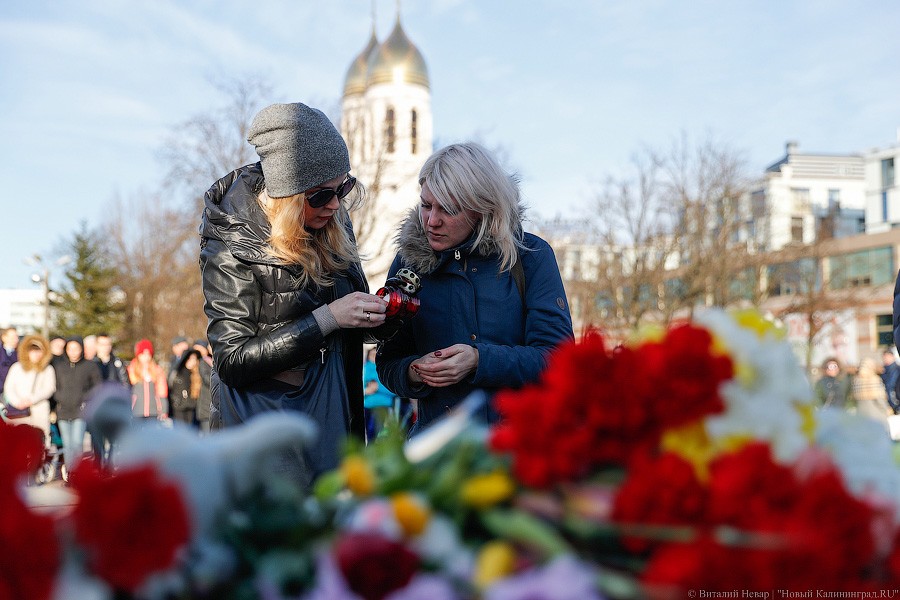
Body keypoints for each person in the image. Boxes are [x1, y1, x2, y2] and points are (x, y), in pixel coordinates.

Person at [199, 101, 388, 487]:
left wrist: (385, 315)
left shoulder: (333, 222)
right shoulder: (233, 237)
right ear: (287, 194)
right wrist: (329, 318)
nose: (335, 204)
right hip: (269, 441)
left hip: (336, 424)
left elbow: (347, 326)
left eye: (343, 188)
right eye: (320, 195)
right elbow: (232, 359)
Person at [376, 142, 575, 436]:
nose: (432, 221)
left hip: (519, 448)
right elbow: (388, 363)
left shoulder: (530, 255)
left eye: (449, 209)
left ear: (482, 209)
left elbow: (558, 359)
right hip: (439, 456)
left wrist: (479, 360)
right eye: (426, 205)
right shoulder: (409, 264)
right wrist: (415, 371)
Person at [53, 336, 102, 476]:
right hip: (63, 411)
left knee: (77, 443)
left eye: (76, 348)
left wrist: (86, 401)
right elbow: (55, 386)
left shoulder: (90, 366)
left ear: (81, 349)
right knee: (68, 445)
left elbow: (96, 387)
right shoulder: (60, 366)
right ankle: (70, 473)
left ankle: (78, 473)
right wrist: (57, 402)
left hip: (81, 411)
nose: (73, 352)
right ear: (66, 350)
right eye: (70, 349)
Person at [3, 334, 56, 448]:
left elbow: (49, 388)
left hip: (39, 410)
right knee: (18, 443)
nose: (36, 354)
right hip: (19, 412)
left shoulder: (47, 369)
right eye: (33, 351)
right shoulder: (17, 367)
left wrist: (31, 400)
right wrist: (17, 402)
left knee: (40, 442)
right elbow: (9, 388)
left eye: (39, 351)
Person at [127, 339, 169, 424]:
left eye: (148, 354)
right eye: (143, 354)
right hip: (136, 411)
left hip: (153, 411)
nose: (146, 357)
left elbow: (162, 391)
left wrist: (163, 410)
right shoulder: (131, 369)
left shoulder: (157, 370)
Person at [363, 346, 396, 440]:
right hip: (367, 407)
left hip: (383, 407)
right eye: (371, 355)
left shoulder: (386, 370)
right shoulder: (364, 369)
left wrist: (378, 388)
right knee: (368, 434)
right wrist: (367, 391)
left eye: (375, 355)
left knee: (381, 434)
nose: (373, 357)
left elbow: (394, 391)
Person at [851, 357, 892, 428]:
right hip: (876, 413)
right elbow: (879, 399)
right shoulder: (874, 379)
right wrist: (887, 409)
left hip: (862, 414)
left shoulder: (856, 380)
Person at [169, 348, 202, 426]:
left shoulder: (197, 374)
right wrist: (176, 402)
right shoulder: (178, 372)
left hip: (192, 408)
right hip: (179, 408)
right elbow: (172, 388)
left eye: (194, 359)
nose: (192, 361)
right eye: (190, 359)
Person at [192, 339, 214, 434]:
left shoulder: (213, 361)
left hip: (213, 406)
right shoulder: (203, 362)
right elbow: (207, 379)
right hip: (206, 407)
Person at [0, 326, 19, 396]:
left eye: (17, 337)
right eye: (13, 337)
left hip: (15, 393)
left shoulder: (21, 355)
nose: (16, 340)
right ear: (4, 337)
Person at [881, 349, 899, 414]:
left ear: (892, 357)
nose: (885, 359)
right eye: (884, 357)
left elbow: (892, 387)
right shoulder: (884, 371)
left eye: (887, 357)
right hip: (889, 405)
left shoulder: (897, 370)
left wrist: (896, 405)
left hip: (896, 404)